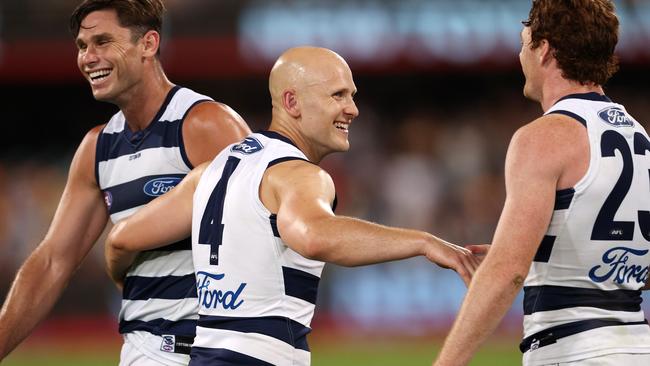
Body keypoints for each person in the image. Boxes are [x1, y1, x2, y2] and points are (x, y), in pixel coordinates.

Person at [105, 46, 484, 365]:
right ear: (292, 102)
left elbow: (120, 240)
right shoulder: (298, 175)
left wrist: (128, 283)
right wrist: (424, 242)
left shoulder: (211, 170)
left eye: (352, 95)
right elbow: (316, 235)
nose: (353, 109)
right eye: (338, 95)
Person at [0, 0, 250, 365]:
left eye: (103, 41)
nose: (88, 57)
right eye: (83, 47)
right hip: (143, 351)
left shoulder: (204, 125)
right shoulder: (97, 149)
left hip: (212, 350)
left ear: (148, 44)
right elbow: (53, 261)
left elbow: (264, 228)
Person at [433, 1, 650, 365]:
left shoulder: (543, 137)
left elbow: (508, 273)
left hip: (573, 350)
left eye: (524, 44)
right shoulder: (638, 137)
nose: (521, 57)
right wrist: (545, 253)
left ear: (544, 49)